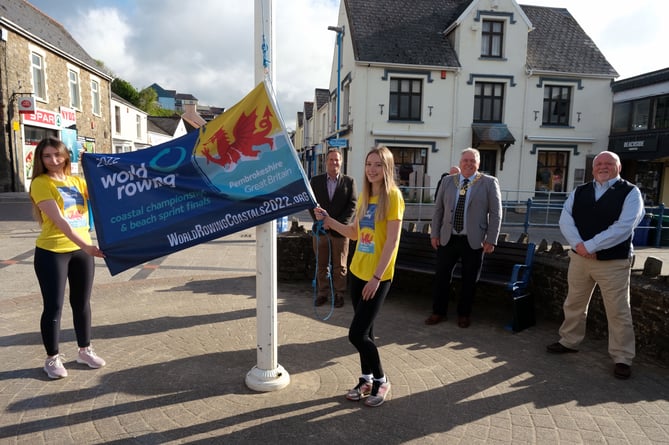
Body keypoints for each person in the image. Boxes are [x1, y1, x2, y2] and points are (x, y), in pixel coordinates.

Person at [314, 145, 404, 407]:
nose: (372, 169)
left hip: (378, 276)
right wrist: (329, 221)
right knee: (367, 332)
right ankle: (366, 379)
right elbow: (354, 233)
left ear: (386, 168)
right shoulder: (365, 197)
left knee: (356, 334)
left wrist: (377, 278)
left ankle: (381, 379)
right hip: (357, 271)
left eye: (378, 165)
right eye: (368, 164)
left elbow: (392, 242)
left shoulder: (393, 197)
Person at [546, 151, 645, 380]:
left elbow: (625, 226)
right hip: (580, 259)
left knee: (618, 311)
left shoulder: (631, 192)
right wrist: (579, 246)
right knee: (574, 303)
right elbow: (565, 219)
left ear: (618, 167)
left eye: (609, 163)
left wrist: (590, 246)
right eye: (598, 163)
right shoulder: (580, 191)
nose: (603, 167)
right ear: (592, 169)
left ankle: (622, 357)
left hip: (613, 262)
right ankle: (569, 341)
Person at [29, 136, 106, 379]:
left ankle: (84, 350)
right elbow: (61, 222)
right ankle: (52, 358)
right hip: (52, 252)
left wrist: (96, 165)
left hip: (81, 252)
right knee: (54, 306)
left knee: (82, 303)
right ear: (41, 160)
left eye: (57, 154)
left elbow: (105, 198)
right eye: (47, 156)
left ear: (66, 156)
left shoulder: (77, 181)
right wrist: (88, 246)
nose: (53, 160)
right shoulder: (41, 183)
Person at [426, 148, 502, 328]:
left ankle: (464, 314)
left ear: (478, 163)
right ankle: (438, 312)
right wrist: (434, 233)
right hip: (448, 238)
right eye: (465, 160)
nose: (468, 163)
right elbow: (438, 210)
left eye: (472, 160)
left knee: (469, 280)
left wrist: (491, 239)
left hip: (473, 240)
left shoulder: (489, 183)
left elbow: (496, 213)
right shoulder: (447, 181)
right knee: (441, 277)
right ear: (460, 163)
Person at [309, 148, 357, 308]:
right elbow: (311, 203)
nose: (334, 162)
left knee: (340, 266)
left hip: (341, 232)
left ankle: (339, 294)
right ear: (326, 161)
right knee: (321, 264)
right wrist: (321, 221)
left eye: (337, 160)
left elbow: (353, 204)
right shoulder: (315, 181)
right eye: (331, 159)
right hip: (320, 230)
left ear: (341, 162)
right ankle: (323, 293)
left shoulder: (349, 182)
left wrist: (337, 224)